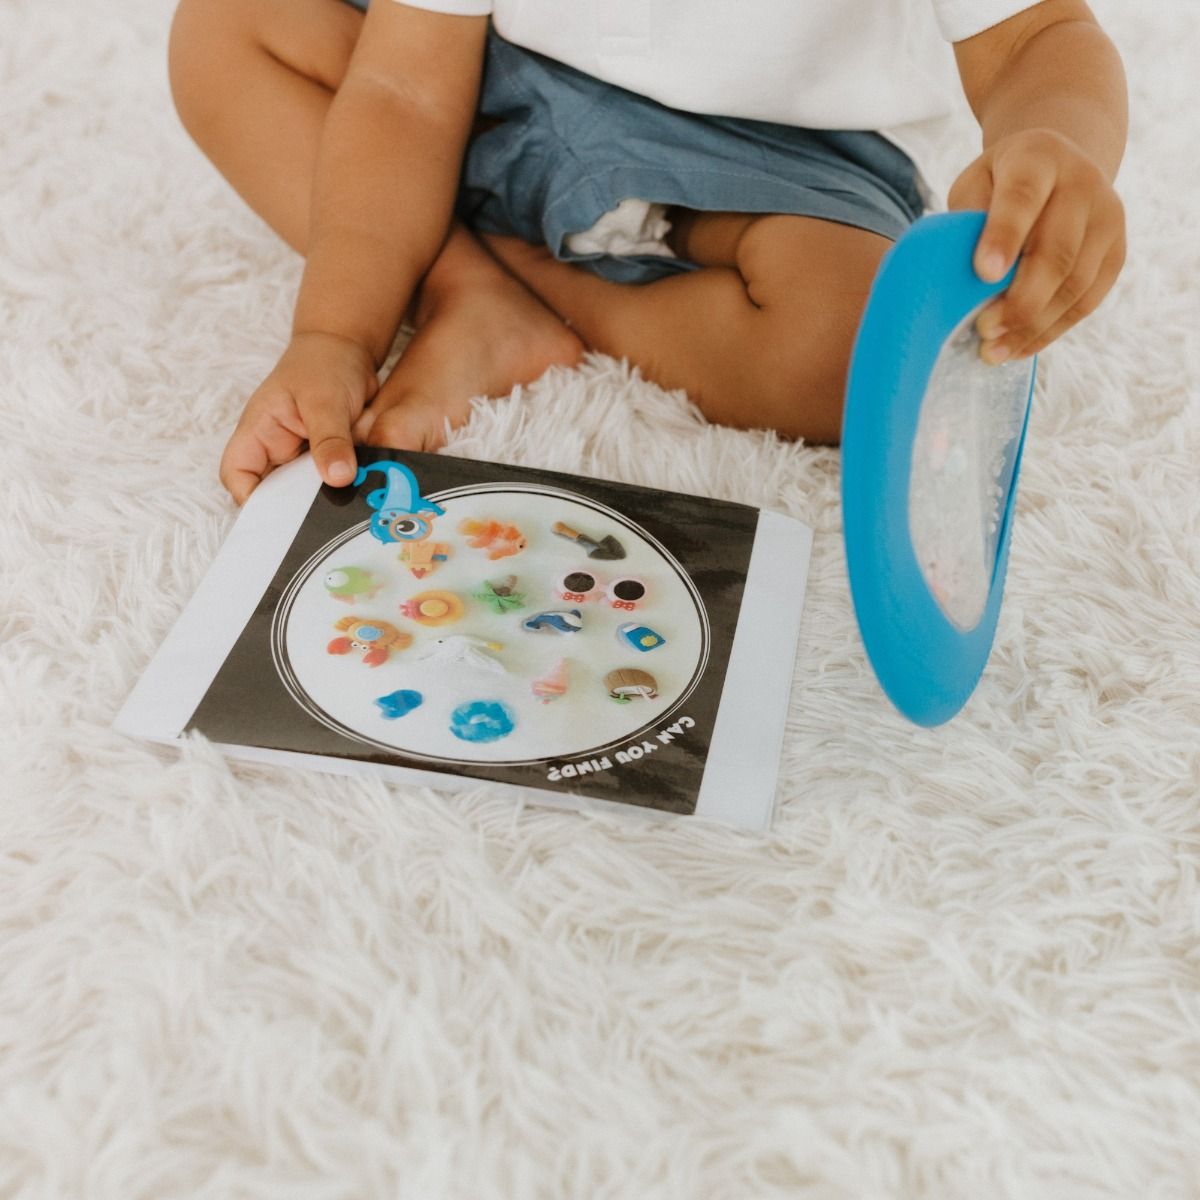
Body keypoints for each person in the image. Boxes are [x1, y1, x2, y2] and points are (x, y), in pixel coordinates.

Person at [167, 0, 1127, 505]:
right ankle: (469, 290)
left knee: (851, 344)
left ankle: (518, 285)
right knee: (227, 24)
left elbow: (1039, 34)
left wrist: (1058, 145)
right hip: (502, 92)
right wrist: (336, 332)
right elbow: (408, 92)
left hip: (784, 155)